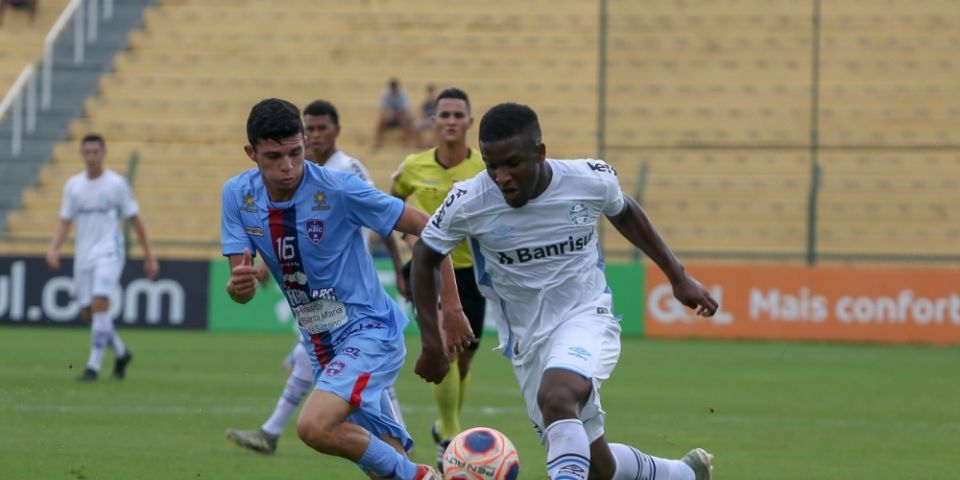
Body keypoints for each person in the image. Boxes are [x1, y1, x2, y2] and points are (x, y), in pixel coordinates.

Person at [410, 103, 719, 480]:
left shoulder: (588, 178)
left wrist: (678, 276)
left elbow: (623, 210)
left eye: (512, 163)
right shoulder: (470, 200)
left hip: (585, 315)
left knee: (557, 396)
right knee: (595, 465)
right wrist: (431, 341)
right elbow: (425, 256)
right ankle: (683, 474)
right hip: (526, 340)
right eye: (492, 166)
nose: (502, 177)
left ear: (540, 153)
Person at [221, 98, 473, 480]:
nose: (288, 167)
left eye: (295, 153)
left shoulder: (339, 189)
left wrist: (451, 310)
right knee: (382, 467)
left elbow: (429, 229)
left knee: (314, 426)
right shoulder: (238, 196)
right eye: (274, 157)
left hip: (369, 330)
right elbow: (241, 290)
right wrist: (238, 286)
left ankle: (422, 476)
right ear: (250, 152)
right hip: (320, 342)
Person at [225, 99, 411, 455]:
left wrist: (402, 266)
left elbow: (385, 215)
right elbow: (269, 250)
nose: (288, 165)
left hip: (356, 308)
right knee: (374, 437)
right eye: (310, 128)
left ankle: (271, 429)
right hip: (316, 318)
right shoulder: (245, 193)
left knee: (322, 416)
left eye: (320, 129)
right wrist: (246, 279)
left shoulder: (346, 173)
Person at [389, 87, 487, 471]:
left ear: (469, 122)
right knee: (446, 348)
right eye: (443, 115)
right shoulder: (413, 166)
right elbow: (392, 206)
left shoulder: (484, 167)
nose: (449, 121)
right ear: (433, 122)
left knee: (463, 358)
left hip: (472, 272)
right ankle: (450, 435)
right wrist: (402, 259)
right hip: (428, 270)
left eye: (456, 115)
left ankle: (445, 426)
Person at [46, 133, 158, 382]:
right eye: (87, 152)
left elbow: (135, 221)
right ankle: (121, 352)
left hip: (109, 252)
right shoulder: (73, 186)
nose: (92, 157)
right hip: (83, 254)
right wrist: (54, 248)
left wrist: (149, 256)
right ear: (81, 154)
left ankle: (93, 367)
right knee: (89, 312)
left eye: (96, 152)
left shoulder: (117, 184)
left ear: (104, 154)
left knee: (99, 303)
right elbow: (65, 221)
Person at [373, 78, 418, 150]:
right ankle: (378, 142)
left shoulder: (403, 94)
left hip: (401, 116)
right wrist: (389, 114)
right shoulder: (385, 94)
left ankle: (405, 143)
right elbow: (383, 109)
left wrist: (395, 115)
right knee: (381, 122)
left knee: (405, 121)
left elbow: (404, 109)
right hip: (390, 117)